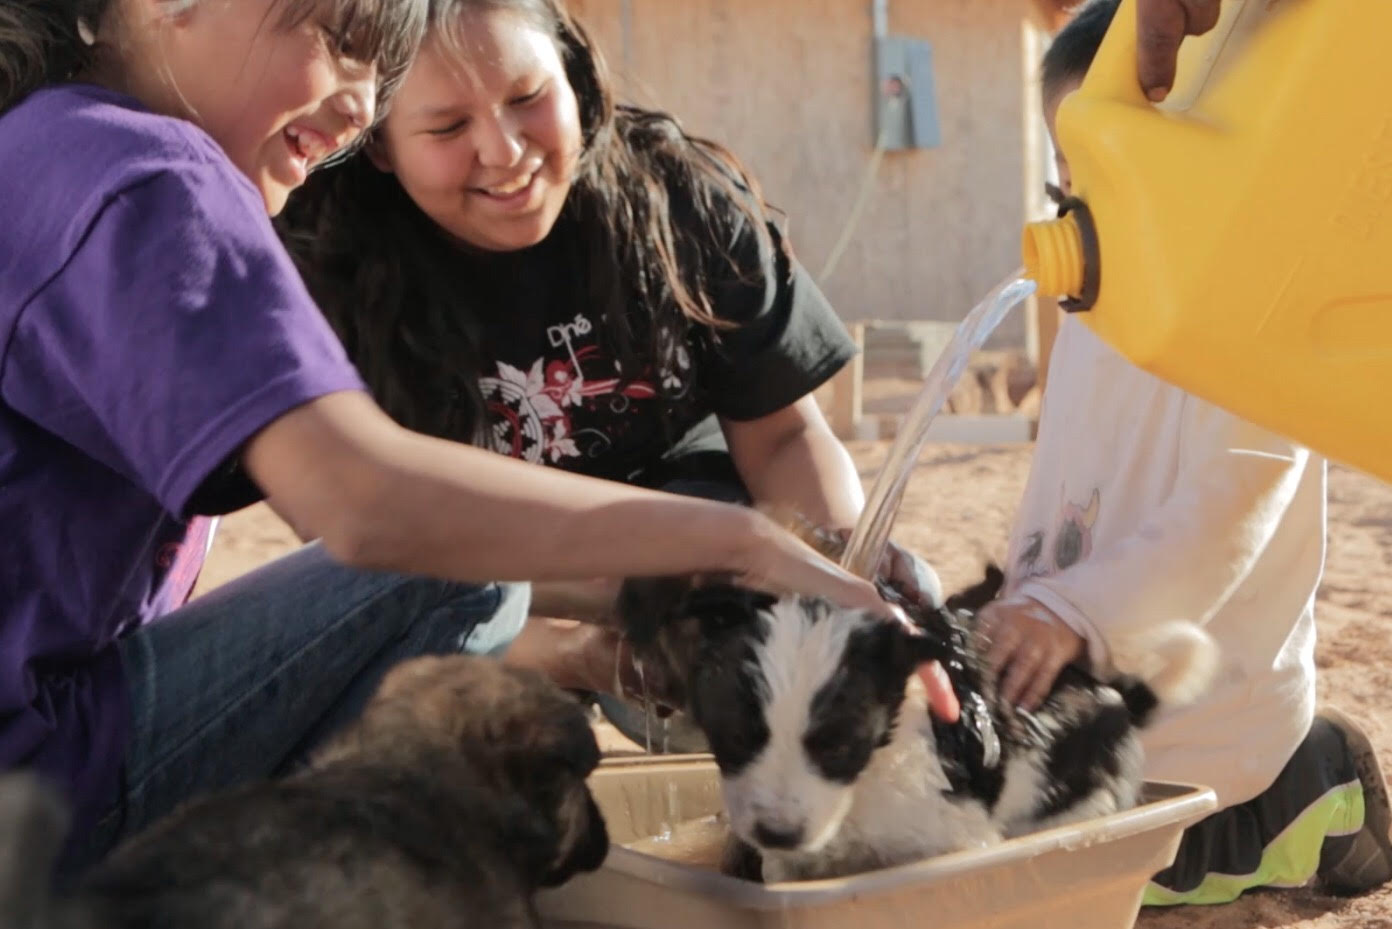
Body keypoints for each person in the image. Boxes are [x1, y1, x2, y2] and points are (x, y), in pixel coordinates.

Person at [0, 0, 928, 878]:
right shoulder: (159, 183)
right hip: (42, 778)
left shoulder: (46, 143)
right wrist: (737, 545)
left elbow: (782, 438)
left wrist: (738, 579)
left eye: (381, 61)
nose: (362, 102)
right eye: (339, 30)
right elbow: (372, 514)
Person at [277, 0, 948, 721]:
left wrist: (837, 564)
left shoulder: (677, 204)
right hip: (484, 582)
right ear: (377, 141)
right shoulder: (324, 280)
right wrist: (575, 650)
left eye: (528, 98)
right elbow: (374, 570)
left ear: (572, 75)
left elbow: (784, 436)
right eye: (447, 127)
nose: (504, 152)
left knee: (750, 672)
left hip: (693, 537)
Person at [977, 0, 1392, 904]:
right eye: (1063, 181)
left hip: (1213, 718)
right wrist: (1029, 599)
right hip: (1094, 674)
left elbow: (1226, 517)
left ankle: (1319, 781)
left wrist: (1076, 614)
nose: (1082, 210)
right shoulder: (1097, 307)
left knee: (1141, 876)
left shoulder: (1255, 326)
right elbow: (1067, 483)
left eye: (1112, 178)